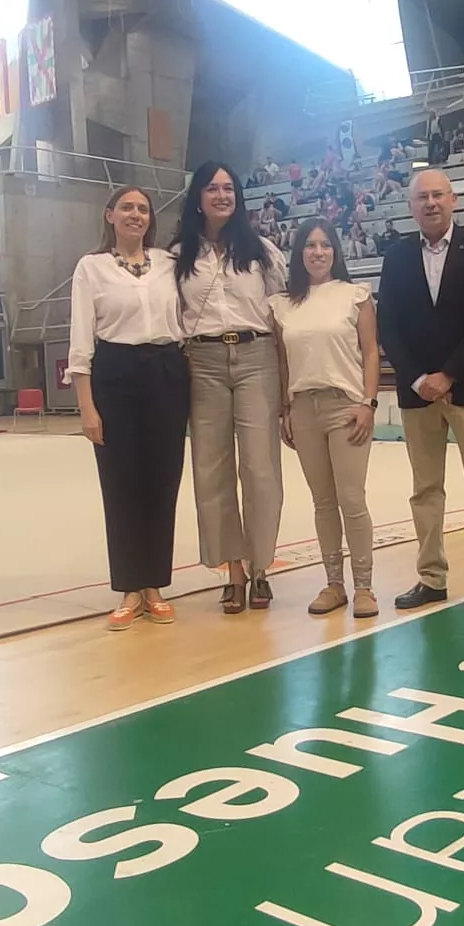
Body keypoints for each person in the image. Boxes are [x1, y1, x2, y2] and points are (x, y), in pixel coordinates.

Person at [377, 169, 464, 615]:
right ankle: (431, 577)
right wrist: (417, 379)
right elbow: (388, 326)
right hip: (418, 394)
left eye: (437, 195)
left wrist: (448, 375)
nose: (430, 203)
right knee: (425, 489)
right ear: (410, 206)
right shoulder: (395, 258)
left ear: (453, 200)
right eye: (421, 197)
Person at [66, 185, 189, 630]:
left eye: (143, 209)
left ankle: (154, 584)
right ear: (110, 215)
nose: (136, 215)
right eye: (127, 208)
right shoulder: (91, 267)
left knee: (162, 479)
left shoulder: (169, 263)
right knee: (120, 484)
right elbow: (81, 338)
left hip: (167, 371)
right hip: (115, 373)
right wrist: (86, 405)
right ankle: (129, 587)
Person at [173, 161, 286, 615]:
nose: (222, 195)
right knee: (211, 472)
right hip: (202, 362)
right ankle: (234, 572)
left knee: (260, 469)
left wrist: (289, 383)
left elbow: (281, 315)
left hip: (257, 358)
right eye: (212, 188)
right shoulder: (177, 257)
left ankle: (261, 568)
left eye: (228, 187)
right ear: (198, 198)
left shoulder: (261, 251)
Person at [272, 217, 381, 619]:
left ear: (335, 250)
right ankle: (334, 583)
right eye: (310, 245)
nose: (318, 252)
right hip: (303, 409)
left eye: (325, 244)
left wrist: (368, 403)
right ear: (298, 253)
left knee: (352, 499)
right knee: (323, 502)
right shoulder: (282, 304)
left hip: (346, 407)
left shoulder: (355, 296)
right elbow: (283, 362)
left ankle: (364, 586)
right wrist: (284, 408)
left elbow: (371, 352)